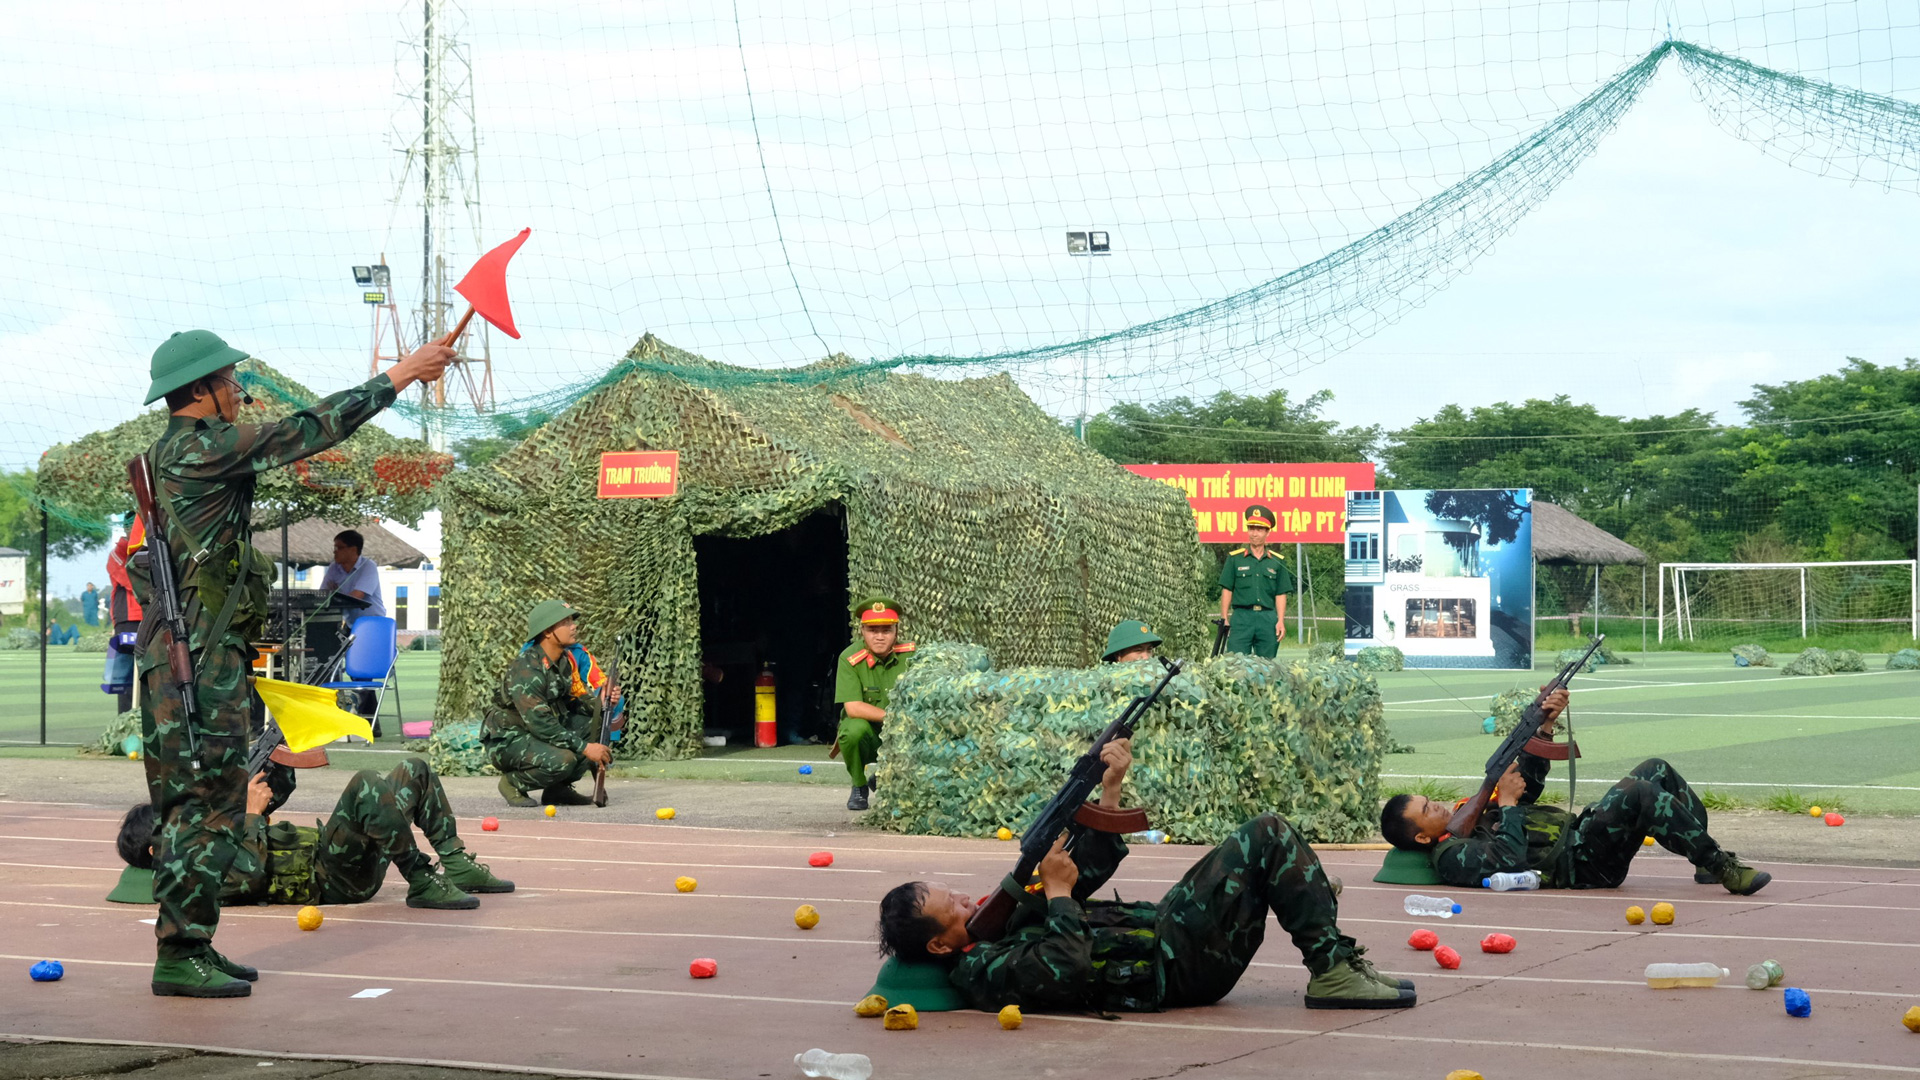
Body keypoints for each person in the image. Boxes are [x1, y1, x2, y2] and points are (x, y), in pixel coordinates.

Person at [131, 327, 453, 998]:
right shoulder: (202, 450)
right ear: (199, 391)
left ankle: (193, 943)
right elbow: (310, 429)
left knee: (201, 805)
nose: (236, 395)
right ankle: (180, 953)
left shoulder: (172, 455)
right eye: (228, 384)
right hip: (195, 659)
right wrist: (401, 374)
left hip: (187, 654)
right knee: (204, 809)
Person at [873, 737, 1416, 1013]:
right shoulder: (983, 968)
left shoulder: (993, 924)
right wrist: (1058, 896)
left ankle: (1330, 948)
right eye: (956, 907)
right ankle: (1330, 970)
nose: (969, 900)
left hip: (1171, 931)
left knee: (1265, 845)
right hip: (1175, 966)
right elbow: (1066, 964)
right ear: (942, 946)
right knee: (1267, 835)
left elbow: (1086, 872)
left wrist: (1108, 790)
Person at [1379, 688, 1770, 895]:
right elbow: (1510, 861)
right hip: (1583, 863)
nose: (1441, 806)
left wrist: (1545, 727)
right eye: (1429, 809)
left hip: (1583, 838)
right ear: (1421, 836)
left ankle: (1703, 861)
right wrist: (1510, 804)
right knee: (1640, 792)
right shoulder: (1450, 857)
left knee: (1656, 769)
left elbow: (1528, 787)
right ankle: (1723, 867)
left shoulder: (1468, 817)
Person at [114, 758, 513, 917]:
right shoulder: (187, 879)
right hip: (331, 877)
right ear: (155, 849)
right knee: (367, 784)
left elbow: (274, 798)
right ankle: (421, 880)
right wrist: (251, 817)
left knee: (412, 770)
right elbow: (248, 876)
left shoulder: (201, 839)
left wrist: (277, 765)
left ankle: (457, 864)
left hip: (339, 856)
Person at [482, 599, 616, 807]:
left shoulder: (562, 661)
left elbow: (572, 700)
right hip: (508, 738)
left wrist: (600, 702)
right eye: (566, 622)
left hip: (533, 733)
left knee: (593, 723)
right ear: (547, 632)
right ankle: (512, 783)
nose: (574, 626)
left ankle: (557, 790)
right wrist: (585, 747)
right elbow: (540, 722)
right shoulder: (527, 667)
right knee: (564, 760)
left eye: (572, 620)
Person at [834, 596, 916, 811]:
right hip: (871, 735)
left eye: (886, 630)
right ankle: (859, 786)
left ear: (896, 631)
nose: (880, 637)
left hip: (905, 734)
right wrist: (894, 718)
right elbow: (853, 708)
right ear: (862, 630)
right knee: (852, 731)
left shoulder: (913, 657)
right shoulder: (849, 658)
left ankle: (883, 777)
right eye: (873, 630)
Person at [1218, 505, 1294, 658]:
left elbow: (1280, 594)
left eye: (1259, 529)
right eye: (1251, 528)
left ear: (1267, 532)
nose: (1254, 533)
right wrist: (1224, 617)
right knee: (1235, 664)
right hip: (1241, 618)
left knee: (1267, 667)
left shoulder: (1277, 562)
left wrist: (1280, 621)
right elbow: (1227, 589)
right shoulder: (1235, 558)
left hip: (1268, 619)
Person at [104, 534, 145, 714]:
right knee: (126, 678)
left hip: (151, 617)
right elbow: (131, 581)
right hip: (128, 619)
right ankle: (127, 722)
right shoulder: (118, 553)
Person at [318, 529, 386, 622]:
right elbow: (322, 595)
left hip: (373, 623)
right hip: (350, 623)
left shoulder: (368, 565)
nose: (335, 552)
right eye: (334, 548)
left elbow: (356, 597)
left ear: (353, 549)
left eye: (339, 548)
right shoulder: (334, 567)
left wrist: (335, 595)